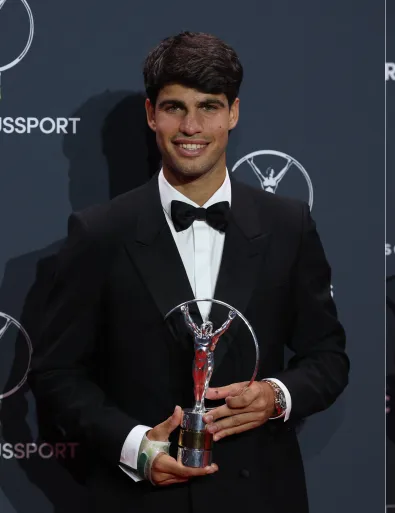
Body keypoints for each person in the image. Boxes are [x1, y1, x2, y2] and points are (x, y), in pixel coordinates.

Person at [29, 32, 349, 513]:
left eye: (209, 107)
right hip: (139, 499)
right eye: (174, 107)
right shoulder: (100, 233)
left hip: (259, 495)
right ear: (151, 114)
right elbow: (57, 374)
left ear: (233, 113)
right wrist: (136, 446)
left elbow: (328, 357)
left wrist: (276, 396)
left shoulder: (288, 225)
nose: (191, 126)